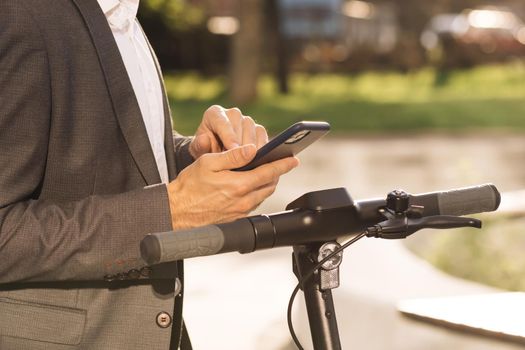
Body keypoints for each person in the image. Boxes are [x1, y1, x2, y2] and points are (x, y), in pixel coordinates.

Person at [0, 0, 298, 349]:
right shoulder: (20, 14)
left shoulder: (123, 17)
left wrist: (191, 155)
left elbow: (102, 157)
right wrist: (172, 209)